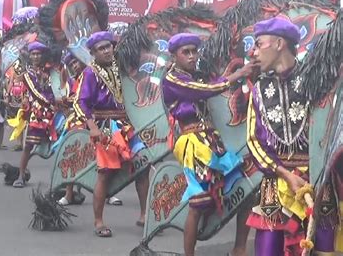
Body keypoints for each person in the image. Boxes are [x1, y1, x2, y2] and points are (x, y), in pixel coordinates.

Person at [245, 17, 337, 255]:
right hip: (276, 182)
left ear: (278, 43)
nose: (252, 51)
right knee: (268, 249)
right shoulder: (259, 89)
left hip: (316, 182)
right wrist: (284, 174)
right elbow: (254, 141)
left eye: (258, 44)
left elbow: (331, 129)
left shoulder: (317, 79)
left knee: (319, 249)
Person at [162, 33, 258, 256]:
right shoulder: (173, 80)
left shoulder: (198, 76)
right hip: (193, 145)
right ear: (174, 55)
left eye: (194, 51)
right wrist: (238, 74)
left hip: (214, 143)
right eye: (186, 52)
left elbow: (213, 86)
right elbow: (204, 91)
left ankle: (239, 248)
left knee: (246, 189)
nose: (192, 56)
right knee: (198, 203)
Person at [73, 31, 146, 237]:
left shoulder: (121, 68)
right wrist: (92, 127)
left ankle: (144, 215)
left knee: (143, 166)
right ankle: (98, 221)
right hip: (105, 125)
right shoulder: (89, 73)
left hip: (127, 124)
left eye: (108, 46)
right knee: (105, 173)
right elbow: (80, 102)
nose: (106, 51)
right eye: (101, 49)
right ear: (93, 53)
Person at [57, 52, 123, 206]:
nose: (75, 66)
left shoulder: (95, 73)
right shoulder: (74, 80)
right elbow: (77, 100)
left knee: (111, 153)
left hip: (102, 119)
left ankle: (109, 193)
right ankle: (68, 194)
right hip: (81, 118)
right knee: (74, 147)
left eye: (76, 62)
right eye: (71, 64)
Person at [12, 41, 57, 188]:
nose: (36, 56)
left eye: (38, 54)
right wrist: (49, 103)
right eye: (33, 54)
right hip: (37, 113)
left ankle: (63, 182)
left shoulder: (50, 71)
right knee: (28, 146)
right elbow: (35, 93)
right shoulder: (27, 74)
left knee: (61, 144)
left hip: (54, 111)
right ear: (30, 56)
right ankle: (20, 175)